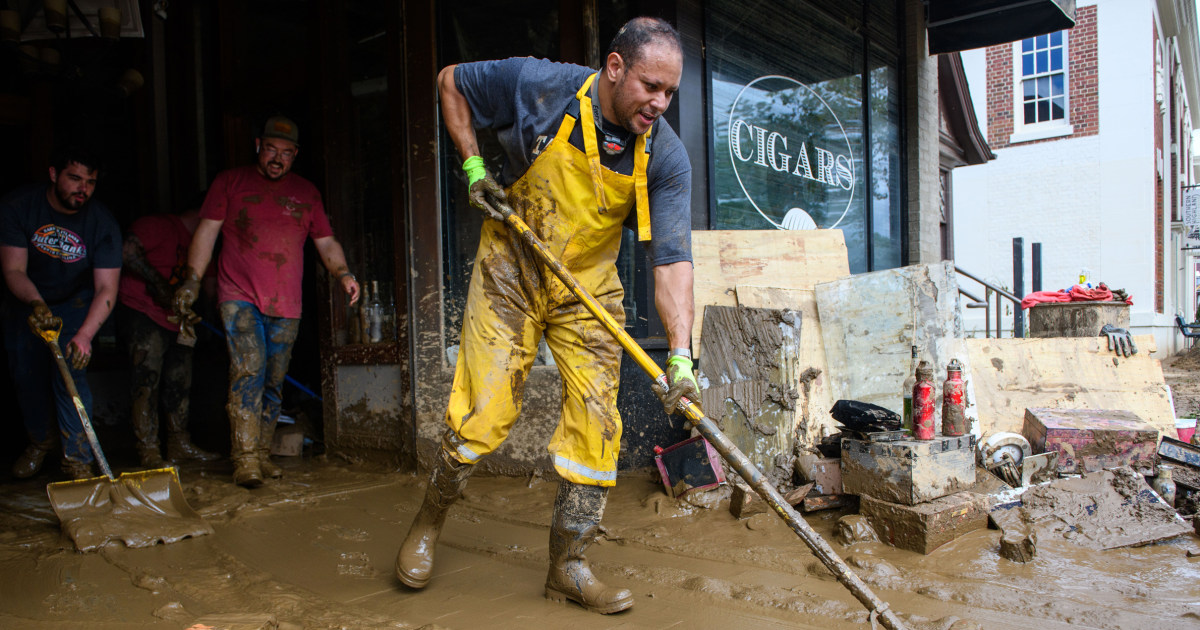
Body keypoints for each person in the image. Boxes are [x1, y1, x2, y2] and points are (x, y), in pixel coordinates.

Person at [394, 17, 700, 615]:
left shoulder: (665, 155)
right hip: (513, 264)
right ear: (614, 68)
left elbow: (672, 263)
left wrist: (682, 359)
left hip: (587, 289)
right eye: (650, 86)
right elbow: (449, 81)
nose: (659, 103)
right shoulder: (539, 86)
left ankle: (568, 566)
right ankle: (429, 520)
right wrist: (475, 168)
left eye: (670, 92)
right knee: (484, 412)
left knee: (597, 426)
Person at [172, 116, 360, 488]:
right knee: (249, 370)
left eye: (286, 153)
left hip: (286, 303)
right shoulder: (230, 182)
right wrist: (191, 282)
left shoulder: (307, 193)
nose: (278, 158)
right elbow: (206, 234)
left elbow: (325, 241)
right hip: (238, 296)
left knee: (273, 380)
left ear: (295, 155)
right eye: (271, 149)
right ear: (258, 145)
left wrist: (344, 274)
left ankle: (259, 453)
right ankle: (244, 459)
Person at [0, 146, 121, 480]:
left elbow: (106, 288)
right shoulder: (18, 207)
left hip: (76, 303)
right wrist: (37, 305)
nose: (82, 188)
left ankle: (77, 461)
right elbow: (13, 270)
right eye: (74, 178)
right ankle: (40, 441)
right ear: (53, 174)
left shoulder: (102, 222)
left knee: (72, 376)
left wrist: (84, 336)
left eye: (91, 182)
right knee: (27, 377)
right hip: (26, 300)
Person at [116, 197, 220, 467]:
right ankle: (149, 449)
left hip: (180, 321)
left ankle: (178, 444)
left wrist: (213, 320)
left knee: (180, 382)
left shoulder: (205, 245)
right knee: (146, 380)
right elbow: (126, 251)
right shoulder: (158, 225)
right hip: (144, 312)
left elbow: (209, 286)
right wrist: (159, 284)